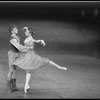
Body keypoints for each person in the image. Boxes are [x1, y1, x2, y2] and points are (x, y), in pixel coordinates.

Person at [12, 27, 67, 93]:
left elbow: (36, 41)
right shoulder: (28, 36)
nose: (25, 33)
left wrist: (41, 40)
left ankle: (59, 67)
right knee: (28, 70)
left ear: (29, 34)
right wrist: (26, 28)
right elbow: (27, 31)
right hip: (25, 55)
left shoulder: (32, 39)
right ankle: (27, 85)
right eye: (25, 32)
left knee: (43, 61)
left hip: (30, 55)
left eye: (26, 32)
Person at [7, 25, 30, 92]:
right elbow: (19, 47)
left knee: (14, 70)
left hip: (16, 54)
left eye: (17, 28)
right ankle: (9, 87)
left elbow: (20, 45)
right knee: (11, 71)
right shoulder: (12, 39)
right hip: (12, 54)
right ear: (12, 31)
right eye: (15, 29)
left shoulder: (17, 36)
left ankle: (14, 87)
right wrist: (27, 48)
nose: (17, 30)